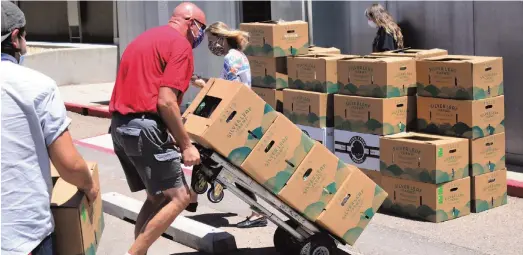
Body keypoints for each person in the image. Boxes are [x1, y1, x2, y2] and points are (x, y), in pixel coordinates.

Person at [1, 2, 99, 255]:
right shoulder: (37, 86)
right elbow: (69, 164)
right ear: (15, 37)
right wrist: (90, 186)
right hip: (22, 236)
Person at [108, 2, 206, 255]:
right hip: (144, 126)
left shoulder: (144, 39)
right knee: (181, 196)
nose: (201, 35)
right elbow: (165, 101)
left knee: (157, 196)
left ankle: (138, 251)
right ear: (190, 22)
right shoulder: (180, 46)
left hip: (120, 126)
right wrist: (186, 144)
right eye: (201, 28)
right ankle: (135, 253)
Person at [189, 22, 268, 229]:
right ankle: (198, 195)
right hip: (240, 116)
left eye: (211, 41)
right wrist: (205, 80)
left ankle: (255, 211)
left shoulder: (230, 58)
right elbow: (228, 85)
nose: (211, 46)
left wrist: (203, 85)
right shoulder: (238, 55)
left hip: (235, 120)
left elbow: (230, 93)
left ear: (221, 38)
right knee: (235, 169)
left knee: (224, 165)